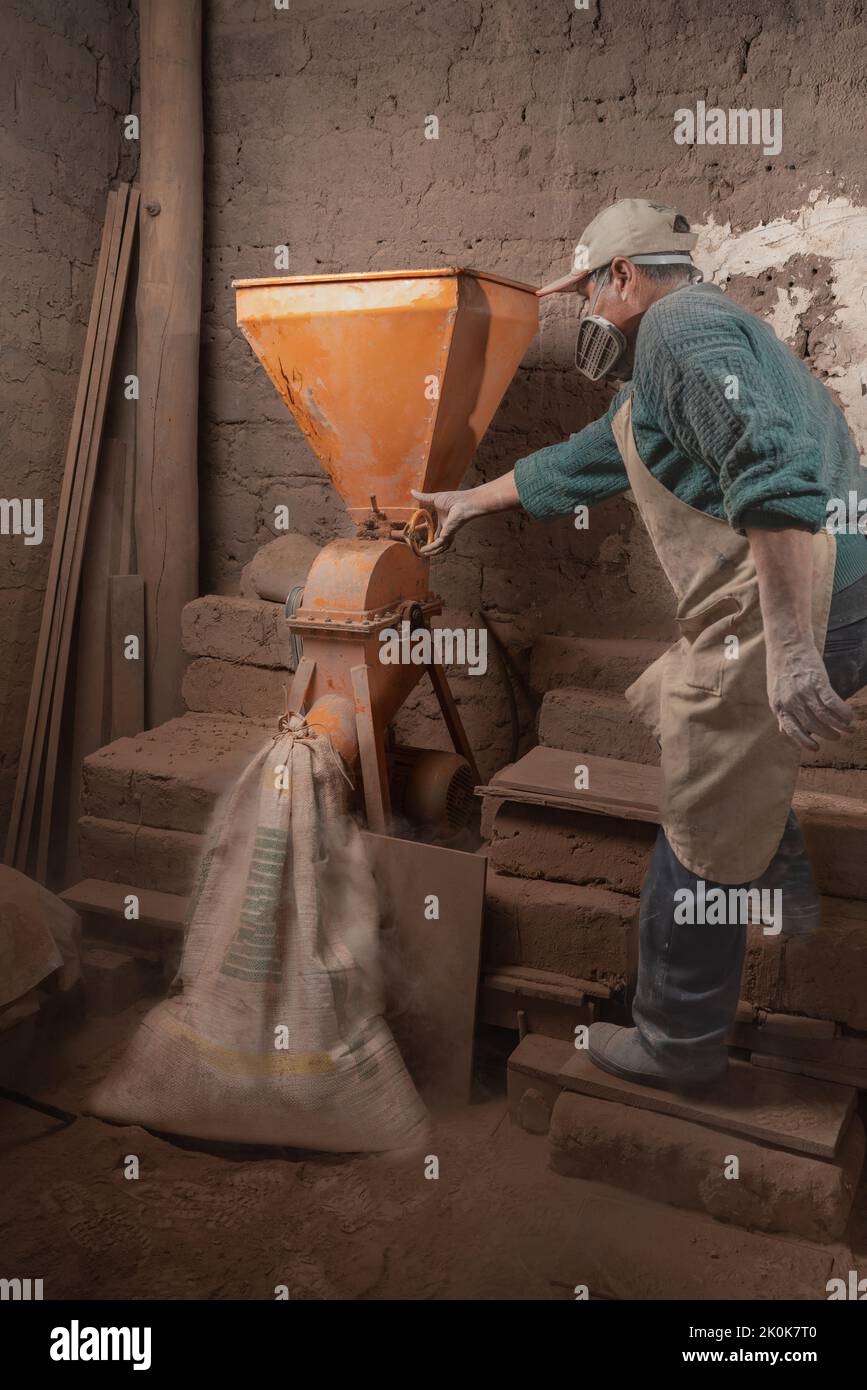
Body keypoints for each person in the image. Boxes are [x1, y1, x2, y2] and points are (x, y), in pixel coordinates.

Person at [413, 198, 867, 1092]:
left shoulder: (675, 330)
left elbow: (771, 479)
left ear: (621, 275)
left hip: (809, 604)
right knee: (698, 730)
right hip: (840, 589)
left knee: (697, 820)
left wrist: (792, 653)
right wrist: (468, 500)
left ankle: (676, 1043)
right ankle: (775, 886)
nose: (583, 314)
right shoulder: (701, 341)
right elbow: (594, 453)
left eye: (585, 291)